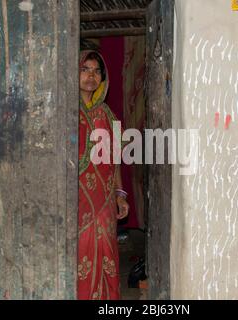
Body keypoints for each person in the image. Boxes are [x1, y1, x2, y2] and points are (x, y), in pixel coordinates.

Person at [78, 50, 130, 300]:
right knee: (79, 255)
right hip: (77, 203)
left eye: (97, 71)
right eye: (85, 69)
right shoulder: (64, 113)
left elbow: (115, 161)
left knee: (106, 252)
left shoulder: (108, 116)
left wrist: (120, 195)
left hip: (105, 203)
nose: (91, 76)